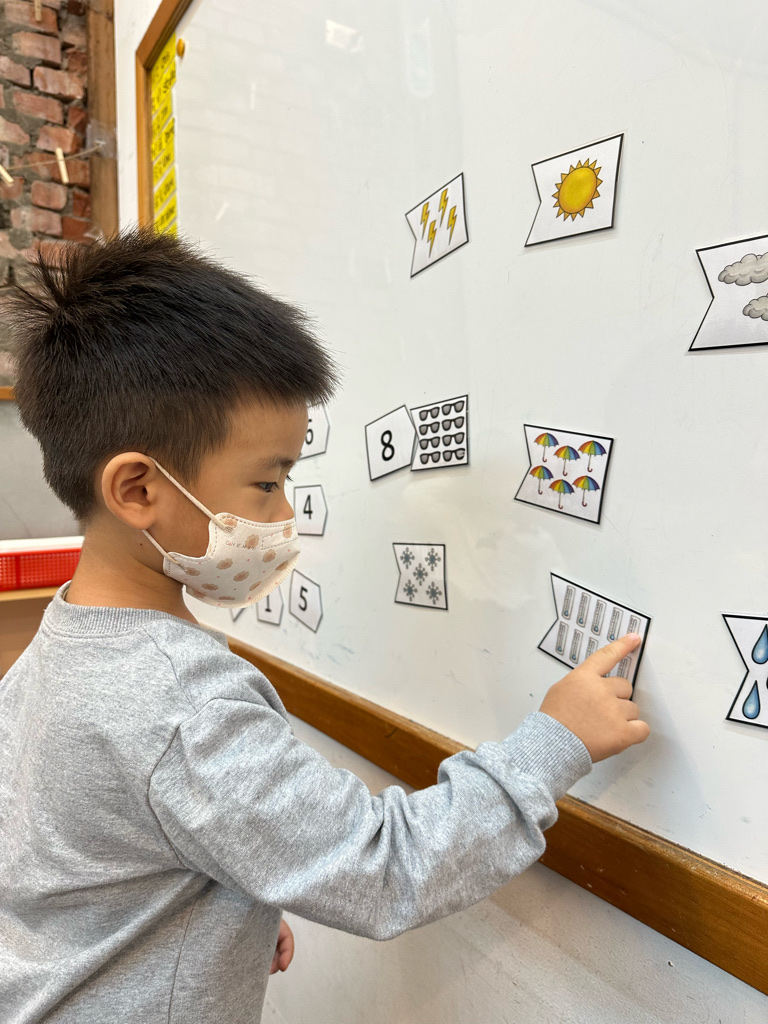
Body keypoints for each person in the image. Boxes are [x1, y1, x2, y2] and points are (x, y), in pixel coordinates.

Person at [0, 230, 649, 1023]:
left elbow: (74, 852)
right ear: (138, 490)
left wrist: (222, 896)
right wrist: (556, 741)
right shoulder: (181, 705)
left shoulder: (62, 644)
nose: (285, 514)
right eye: (266, 483)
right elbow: (385, 866)